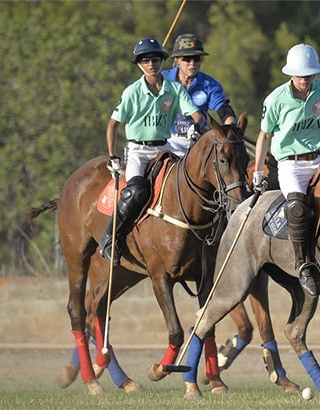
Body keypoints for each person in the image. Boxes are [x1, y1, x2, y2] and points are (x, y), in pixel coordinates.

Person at [252, 43, 320, 296]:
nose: (305, 79)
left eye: (309, 74)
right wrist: (258, 171)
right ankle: (305, 266)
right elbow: (263, 136)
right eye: (301, 75)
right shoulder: (276, 99)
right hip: (292, 164)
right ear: (291, 74)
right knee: (297, 208)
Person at [99, 37, 203, 265]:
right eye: (145, 60)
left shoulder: (174, 89)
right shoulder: (132, 92)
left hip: (164, 147)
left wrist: (196, 126)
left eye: (155, 59)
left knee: (183, 184)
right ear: (139, 64)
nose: (151, 64)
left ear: (163, 61)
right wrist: (112, 156)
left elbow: (196, 114)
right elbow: (112, 125)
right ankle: (110, 238)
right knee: (135, 192)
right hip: (137, 151)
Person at [162, 34, 237, 157]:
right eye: (186, 59)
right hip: (166, 140)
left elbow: (224, 111)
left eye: (197, 58)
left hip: (198, 142)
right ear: (177, 60)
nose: (192, 63)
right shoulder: (162, 79)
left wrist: (230, 129)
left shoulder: (210, 84)